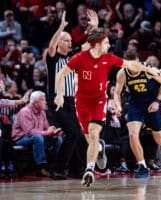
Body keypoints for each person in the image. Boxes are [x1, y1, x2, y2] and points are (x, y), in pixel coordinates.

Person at [54, 28, 161, 187]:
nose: (109, 45)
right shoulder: (79, 58)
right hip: (82, 102)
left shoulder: (109, 58)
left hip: (99, 100)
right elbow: (60, 75)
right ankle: (97, 151)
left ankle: (89, 170)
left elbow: (130, 64)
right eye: (106, 42)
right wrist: (59, 94)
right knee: (90, 140)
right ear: (96, 44)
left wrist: (148, 68)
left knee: (94, 131)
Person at [47, 10, 98, 180]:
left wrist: (94, 28)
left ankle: (77, 169)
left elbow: (87, 45)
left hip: (72, 102)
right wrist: (61, 27)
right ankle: (57, 169)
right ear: (60, 42)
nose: (69, 43)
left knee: (80, 135)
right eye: (66, 41)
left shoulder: (72, 57)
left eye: (70, 41)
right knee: (73, 134)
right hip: (57, 100)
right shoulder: (53, 59)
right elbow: (51, 47)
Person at [114, 51, 161, 178]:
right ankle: (142, 165)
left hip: (152, 104)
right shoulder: (122, 73)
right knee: (132, 134)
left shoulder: (148, 69)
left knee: (158, 138)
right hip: (136, 104)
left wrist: (157, 101)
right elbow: (117, 92)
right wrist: (118, 105)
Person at [12, 91, 63, 177]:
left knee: (57, 138)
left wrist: (53, 131)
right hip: (21, 139)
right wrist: (46, 133)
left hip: (37, 137)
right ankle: (41, 167)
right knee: (37, 138)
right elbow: (29, 132)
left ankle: (58, 166)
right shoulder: (25, 112)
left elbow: (46, 128)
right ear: (35, 103)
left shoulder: (42, 112)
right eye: (43, 100)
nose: (45, 102)